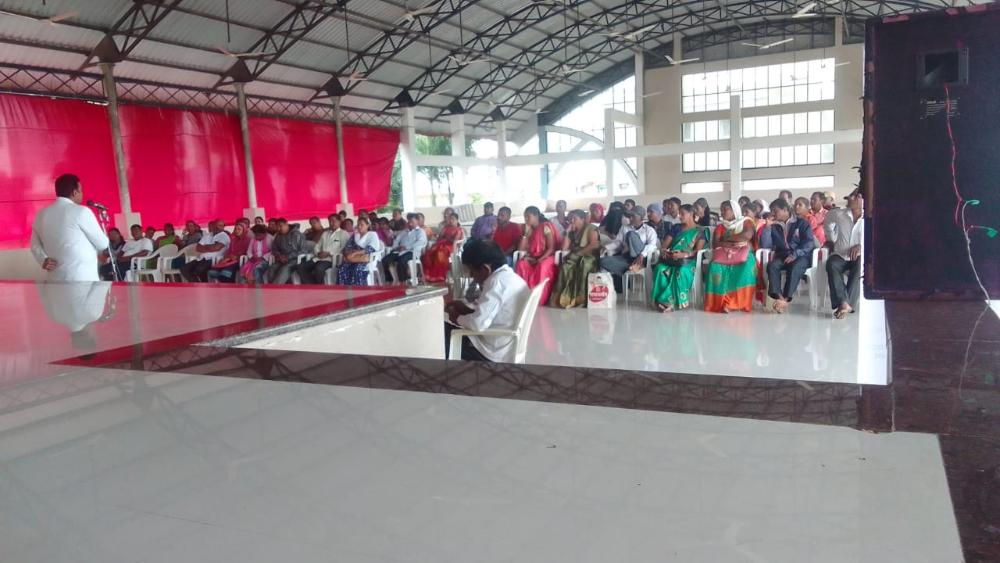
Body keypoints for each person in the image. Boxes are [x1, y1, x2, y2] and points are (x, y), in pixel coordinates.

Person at [444, 239, 530, 362]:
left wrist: (457, 317)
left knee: (441, 332)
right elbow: (489, 314)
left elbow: (477, 324)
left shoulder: (496, 283)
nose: (471, 276)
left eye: (472, 271)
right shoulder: (510, 277)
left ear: (485, 269)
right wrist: (465, 309)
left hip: (490, 351)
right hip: (504, 343)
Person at [30, 174, 110, 282]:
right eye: (81, 190)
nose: (82, 194)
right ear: (74, 192)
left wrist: (43, 259)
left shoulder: (41, 215)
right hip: (82, 279)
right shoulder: (82, 212)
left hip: (55, 279)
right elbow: (102, 243)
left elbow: (35, 245)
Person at [763, 198, 817, 314]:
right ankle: (780, 298)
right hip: (783, 255)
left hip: (801, 255)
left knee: (795, 267)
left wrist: (796, 254)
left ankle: (786, 298)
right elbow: (765, 245)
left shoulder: (801, 223)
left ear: (785, 210)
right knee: (772, 266)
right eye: (771, 211)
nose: (773, 214)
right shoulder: (774, 226)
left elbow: (809, 243)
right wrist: (767, 229)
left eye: (775, 211)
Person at [651, 204, 707, 312]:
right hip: (671, 259)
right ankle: (661, 301)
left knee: (680, 271)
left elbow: (697, 251)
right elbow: (664, 245)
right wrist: (665, 251)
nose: (679, 216)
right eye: (679, 214)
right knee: (659, 269)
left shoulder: (700, 231)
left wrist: (684, 254)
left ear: (691, 214)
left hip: (688, 262)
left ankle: (669, 302)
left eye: (682, 214)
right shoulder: (676, 227)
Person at [704, 201, 757, 313]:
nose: (722, 212)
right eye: (721, 209)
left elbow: (747, 235)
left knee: (746, 266)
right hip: (724, 255)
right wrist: (734, 243)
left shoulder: (746, 222)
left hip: (743, 255)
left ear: (734, 210)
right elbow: (716, 244)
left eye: (725, 209)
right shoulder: (720, 226)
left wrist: (726, 239)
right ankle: (720, 303)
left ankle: (735, 303)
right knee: (714, 266)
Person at [824, 187, 864, 319]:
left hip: (859, 257)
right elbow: (827, 223)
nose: (850, 198)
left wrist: (861, 246)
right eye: (851, 195)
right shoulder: (839, 214)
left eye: (855, 196)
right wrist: (831, 239)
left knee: (860, 266)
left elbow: (876, 238)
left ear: (864, 200)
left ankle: (845, 304)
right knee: (831, 264)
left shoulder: (869, 217)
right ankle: (845, 303)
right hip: (840, 255)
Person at [599, 205, 658, 293]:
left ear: (641, 217)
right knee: (602, 261)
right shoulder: (624, 227)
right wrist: (605, 247)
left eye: (633, 216)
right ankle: (628, 271)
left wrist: (642, 254)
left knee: (631, 235)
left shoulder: (649, 230)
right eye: (630, 216)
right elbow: (618, 242)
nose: (630, 218)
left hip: (641, 259)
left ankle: (635, 266)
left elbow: (652, 245)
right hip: (626, 259)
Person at [549, 209, 600, 309]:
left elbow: (594, 245)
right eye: (570, 219)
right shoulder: (572, 231)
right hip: (575, 257)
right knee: (565, 267)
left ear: (582, 219)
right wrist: (567, 232)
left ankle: (582, 300)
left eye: (574, 218)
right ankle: (565, 299)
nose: (571, 221)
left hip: (589, 257)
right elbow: (564, 248)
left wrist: (579, 253)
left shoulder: (591, 228)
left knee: (584, 266)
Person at [514, 206, 561, 306]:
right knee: (521, 264)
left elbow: (551, 248)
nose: (526, 219)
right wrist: (525, 234)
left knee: (542, 266)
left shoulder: (545, 226)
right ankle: (525, 295)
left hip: (547, 257)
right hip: (534, 258)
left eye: (528, 216)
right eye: (525, 217)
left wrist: (540, 259)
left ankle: (539, 298)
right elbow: (520, 249)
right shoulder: (529, 229)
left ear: (536, 216)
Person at [297, 214, 350, 285]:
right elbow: (317, 246)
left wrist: (329, 253)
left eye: (333, 221)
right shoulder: (325, 233)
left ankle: (320, 286)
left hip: (331, 260)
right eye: (330, 221)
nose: (331, 223)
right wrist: (318, 253)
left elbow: (343, 248)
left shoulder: (343, 234)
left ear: (339, 221)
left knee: (318, 268)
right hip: (318, 258)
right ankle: (312, 285)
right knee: (301, 266)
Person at [383, 213, 428, 283]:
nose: (410, 224)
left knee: (401, 261)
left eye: (412, 222)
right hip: (399, 251)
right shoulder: (404, 231)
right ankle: (390, 280)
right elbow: (396, 240)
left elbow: (420, 242)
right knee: (385, 260)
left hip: (412, 252)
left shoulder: (420, 232)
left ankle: (403, 281)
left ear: (417, 221)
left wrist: (406, 247)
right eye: (409, 221)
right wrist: (396, 247)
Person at [337, 217, 383, 286]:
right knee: (342, 268)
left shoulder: (372, 235)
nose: (359, 226)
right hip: (354, 258)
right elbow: (348, 247)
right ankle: (346, 289)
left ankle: (359, 289)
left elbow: (371, 249)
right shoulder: (356, 235)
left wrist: (356, 252)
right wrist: (348, 254)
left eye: (362, 225)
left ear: (367, 225)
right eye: (358, 224)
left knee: (357, 269)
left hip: (367, 258)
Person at [422, 212, 464, 283]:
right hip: (441, 244)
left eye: (453, 219)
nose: (451, 221)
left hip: (451, 246)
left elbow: (455, 241)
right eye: (450, 219)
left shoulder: (458, 229)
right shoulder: (446, 228)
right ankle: (428, 275)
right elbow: (440, 237)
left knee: (440, 253)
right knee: (429, 252)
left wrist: (447, 239)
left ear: (457, 220)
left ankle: (440, 276)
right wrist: (440, 236)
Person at [266, 218, 305, 284]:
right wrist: (279, 256)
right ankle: (273, 287)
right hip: (281, 259)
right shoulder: (278, 235)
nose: (279, 229)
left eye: (280, 226)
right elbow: (274, 249)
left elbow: (303, 250)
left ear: (286, 224)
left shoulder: (297, 235)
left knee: (284, 269)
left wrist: (288, 257)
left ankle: (275, 288)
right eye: (277, 227)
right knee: (271, 269)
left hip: (294, 260)